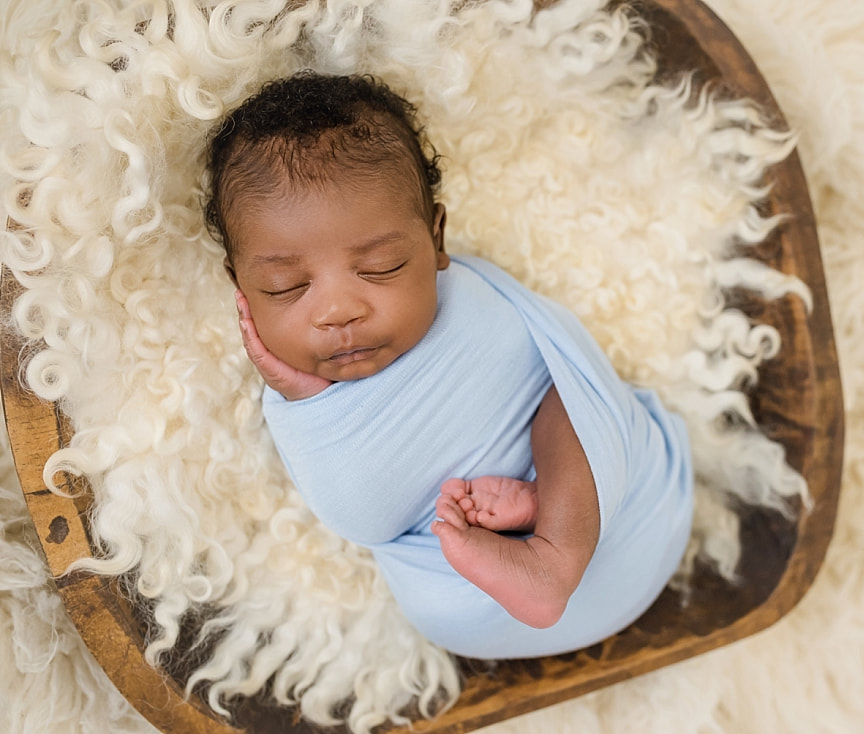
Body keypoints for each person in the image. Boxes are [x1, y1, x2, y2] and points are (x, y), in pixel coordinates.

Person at [204, 72, 694, 659]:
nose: (338, 311)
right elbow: (366, 519)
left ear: (437, 238)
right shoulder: (299, 408)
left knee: (573, 400)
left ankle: (556, 543)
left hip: (638, 516)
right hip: (478, 608)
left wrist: (551, 488)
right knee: (431, 567)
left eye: (381, 266)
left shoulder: (469, 296)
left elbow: (550, 354)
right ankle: (532, 534)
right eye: (285, 286)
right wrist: (305, 403)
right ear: (242, 285)